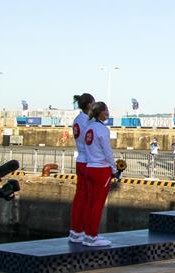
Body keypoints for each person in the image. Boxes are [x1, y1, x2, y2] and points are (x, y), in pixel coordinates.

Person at [82, 101, 117, 247]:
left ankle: (88, 233)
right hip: (100, 169)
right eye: (106, 110)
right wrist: (114, 168)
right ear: (100, 112)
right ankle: (92, 236)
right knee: (98, 204)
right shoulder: (102, 129)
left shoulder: (89, 128)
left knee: (90, 203)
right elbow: (107, 151)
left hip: (89, 166)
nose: (108, 113)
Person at [69, 93, 95, 243]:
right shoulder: (88, 121)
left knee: (79, 197)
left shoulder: (77, 120)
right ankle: (86, 231)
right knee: (89, 199)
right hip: (89, 161)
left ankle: (75, 230)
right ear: (89, 105)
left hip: (80, 159)